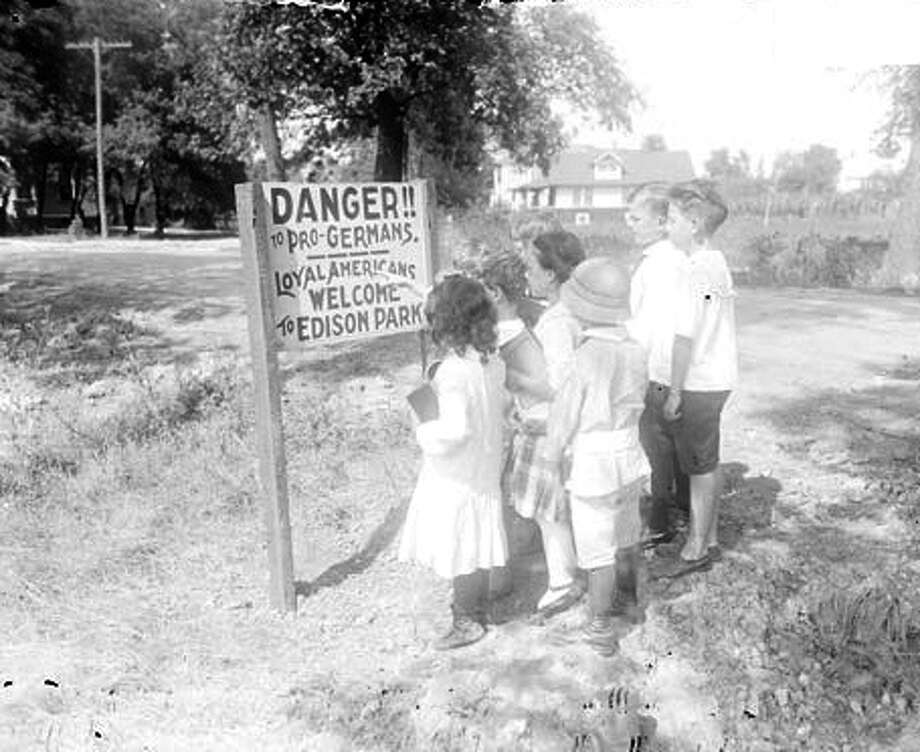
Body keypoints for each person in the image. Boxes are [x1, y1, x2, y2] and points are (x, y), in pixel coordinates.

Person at [537, 258, 649, 655]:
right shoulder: (636, 350)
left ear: (582, 310)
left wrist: (550, 458)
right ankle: (630, 601)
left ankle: (600, 625)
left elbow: (564, 416)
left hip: (593, 461)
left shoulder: (584, 358)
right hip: (630, 453)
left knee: (596, 548)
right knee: (627, 534)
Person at [398, 275, 509, 650]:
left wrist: (422, 427)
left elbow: (454, 430)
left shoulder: (452, 371)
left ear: (445, 324)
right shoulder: (491, 361)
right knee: (475, 536)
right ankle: (475, 607)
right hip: (485, 462)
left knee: (461, 540)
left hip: (458, 471)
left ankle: (466, 618)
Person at [656, 181, 738, 576]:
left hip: (699, 381)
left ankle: (696, 546)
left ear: (693, 224)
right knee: (708, 459)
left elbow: (685, 337)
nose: (665, 226)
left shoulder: (697, 271)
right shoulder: (715, 265)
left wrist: (674, 392)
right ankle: (711, 535)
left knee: (698, 466)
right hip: (717, 377)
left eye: (671, 219)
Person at [507, 230, 586, 616]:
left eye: (531, 268)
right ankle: (574, 569)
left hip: (551, 425)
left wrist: (513, 377)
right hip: (573, 423)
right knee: (561, 504)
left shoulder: (556, 322)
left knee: (547, 508)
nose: (527, 274)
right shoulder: (577, 309)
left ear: (551, 274)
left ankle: (563, 580)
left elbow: (557, 385)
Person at [624, 183, 693, 547]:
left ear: (662, 221)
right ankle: (683, 504)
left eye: (636, 218)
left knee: (656, 446)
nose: (629, 224)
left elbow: (647, 327)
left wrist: (632, 366)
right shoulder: (679, 258)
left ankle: (660, 519)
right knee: (675, 441)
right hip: (677, 367)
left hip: (657, 366)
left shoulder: (657, 265)